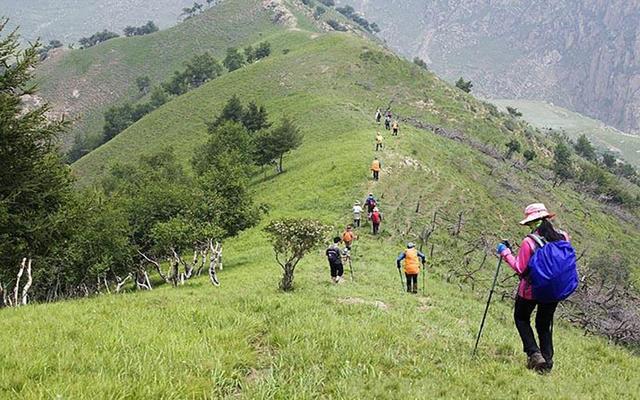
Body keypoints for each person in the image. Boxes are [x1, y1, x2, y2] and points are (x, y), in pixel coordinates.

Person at [497, 203, 573, 373]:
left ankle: (534, 354)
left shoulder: (529, 242)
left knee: (521, 318)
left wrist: (505, 253)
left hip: (530, 290)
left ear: (532, 222)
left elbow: (520, 268)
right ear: (547, 218)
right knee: (544, 324)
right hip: (553, 290)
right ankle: (547, 362)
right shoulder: (564, 236)